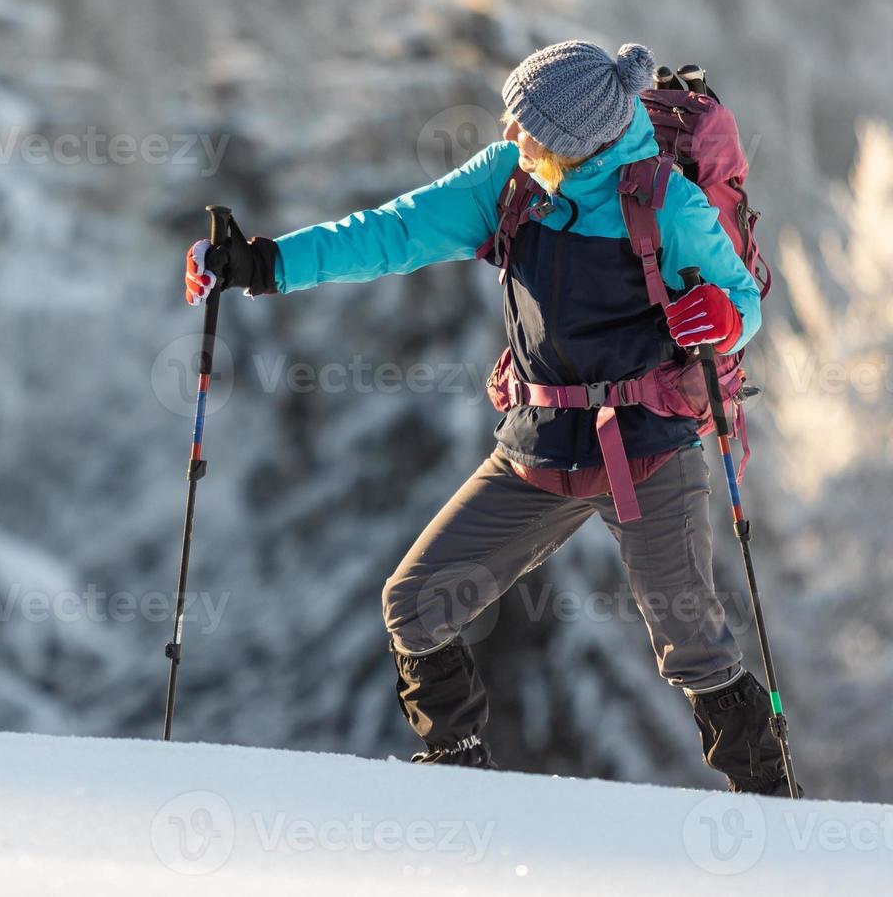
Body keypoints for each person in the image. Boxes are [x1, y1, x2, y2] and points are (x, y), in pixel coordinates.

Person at [183, 41, 794, 795]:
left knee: (692, 645)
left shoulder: (664, 202)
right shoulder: (510, 184)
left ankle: (772, 810)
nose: (511, 136)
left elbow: (744, 303)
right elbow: (393, 232)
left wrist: (723, 318)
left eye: (526, 125)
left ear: (576, 138)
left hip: (646, 451)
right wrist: (262, 265)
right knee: (414, 602)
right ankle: (459, 781)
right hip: (537, 448)